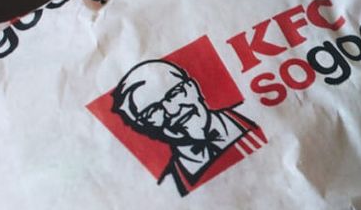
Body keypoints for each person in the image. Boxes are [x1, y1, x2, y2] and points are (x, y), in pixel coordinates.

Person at [112, 60, 265, 196]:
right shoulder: (170, 187)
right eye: (153, 111)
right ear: (143, 127)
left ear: (193, 87)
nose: (173, 110)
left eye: (175, 93)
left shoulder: (260, 111)